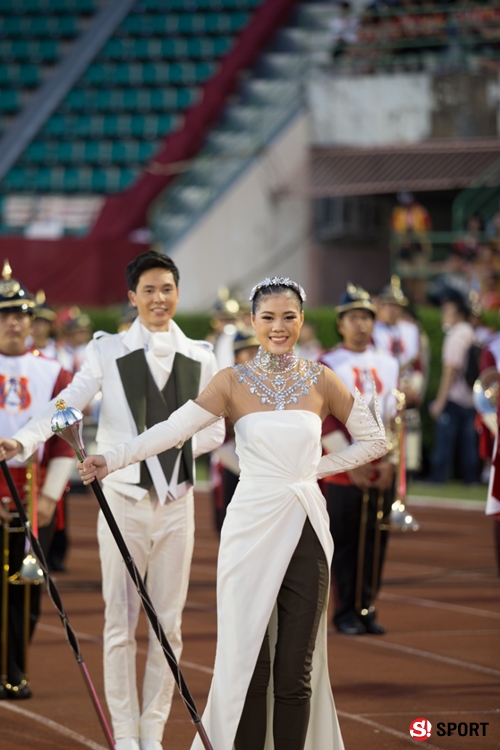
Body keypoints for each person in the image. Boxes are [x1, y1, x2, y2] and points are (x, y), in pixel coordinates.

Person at [73, 277, 387, 750]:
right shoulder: (231, 382)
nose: (278, 327)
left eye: (289, 317)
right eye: (268, 317)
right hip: (249, 527)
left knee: (296, 668)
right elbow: (171, 430)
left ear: (302, 320)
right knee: (249, 664)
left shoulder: (322, 378)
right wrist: (112, 459)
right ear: (253, 322)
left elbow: (377, 439)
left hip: (305, 524)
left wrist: (314, 470)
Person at [0, 250, 225, 750]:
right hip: (121, 500)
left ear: (177, 293)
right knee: (120, 623)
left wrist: (171, 449)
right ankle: (126, 734)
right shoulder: (106, 352)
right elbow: (66, 405)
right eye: (148, 290)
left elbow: (216, 432)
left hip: (177, 501)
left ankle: (154, 731)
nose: (158, 298)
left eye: (166, 288)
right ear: (132, 297)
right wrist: (26, 439)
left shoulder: (202, 356)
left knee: (170, 625)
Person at [0, 261, 74, 700]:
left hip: (33, 490)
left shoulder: (54, 371)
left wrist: (49, 497)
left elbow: (66, 440)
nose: (15, 322)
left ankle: (16, 668)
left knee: (27, 589)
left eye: (21, 315)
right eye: (6, 314)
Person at [321, 284, 399, 635]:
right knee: (346, 541)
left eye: (366, 317)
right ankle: (345, 612)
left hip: (379, 467)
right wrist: (352, 460)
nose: (361, 325)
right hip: (344, 469)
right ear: (340, 323)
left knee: (376, 539)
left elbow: (394, 414)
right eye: (353, 318)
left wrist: (390, 460)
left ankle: (367, 607)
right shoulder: (328, 362)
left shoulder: (388, 363)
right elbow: (324, 419)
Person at [373, 276, 426, 473]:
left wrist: (416, 387)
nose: (391, 310)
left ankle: (411, 468)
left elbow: (418, 362)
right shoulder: (373, 330)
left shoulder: (411, 329)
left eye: (396, 305)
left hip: (408, 385)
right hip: (384, 389)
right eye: (387, 305)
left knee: (410, 429)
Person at [211, 327, 260, 531]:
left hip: (267, 469)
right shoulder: (226, 387)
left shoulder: (276, 386)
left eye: (258, 351)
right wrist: (244, 469)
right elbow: (217, 438)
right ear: (236, 356)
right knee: (233, 528)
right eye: (247, 351)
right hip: (236, 467)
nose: (254, 356)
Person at [429, 293, 478, 484]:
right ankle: (470, 479)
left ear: (458, 315)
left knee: (445, 442)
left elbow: (450, 370)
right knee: (468, 443)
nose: (444, 316)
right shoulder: (472, 334)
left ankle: (438, 477)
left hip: (455, 397)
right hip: (471, 397)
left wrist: (440, 402)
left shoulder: (456, 335)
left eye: (447, 312)